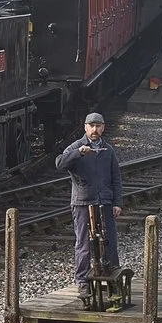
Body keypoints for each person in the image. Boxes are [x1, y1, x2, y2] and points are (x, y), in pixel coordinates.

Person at [58, 111, 121, 298]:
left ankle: (113, 277)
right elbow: (60, 163)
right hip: (82, 202)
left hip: (105, 202)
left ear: (103, 128)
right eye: (91, 126)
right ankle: (82, 281)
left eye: (98, 126)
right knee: (83, 243)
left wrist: (117, 202)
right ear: (85, 128)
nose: (95, 130)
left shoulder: (108, 150)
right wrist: (77, 154)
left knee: (110, 241)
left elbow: (116, 178)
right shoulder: (76, 147)